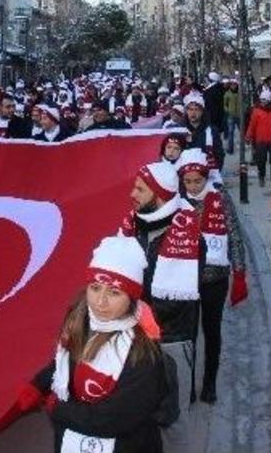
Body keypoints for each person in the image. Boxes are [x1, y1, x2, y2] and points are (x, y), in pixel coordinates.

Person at [18, 236, 169, 453]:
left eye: (114, 292)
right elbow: (69, 360)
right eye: (95, 288)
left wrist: (59, 409)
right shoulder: (81, 321)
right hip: (73, 440)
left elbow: (113, 418)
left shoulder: (143, 354)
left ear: (132, 297)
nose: (100, 302)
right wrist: (39, 384)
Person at [118, 161, 199, 449]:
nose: (132, 194)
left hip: (170, 343)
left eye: (140, 189)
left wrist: (131, 309)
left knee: (173, 420)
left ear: (160, 194)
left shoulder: (187, 229)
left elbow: (176, 301)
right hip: (130, 339)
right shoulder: (132, 225)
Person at [174, 149, 247, 404]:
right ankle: (190, 384)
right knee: (189, 333)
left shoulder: (220, 196)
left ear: (206, 177)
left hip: (215, 277)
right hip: (186, 278)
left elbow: (235, 235)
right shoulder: (176, 201)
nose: (193, 186)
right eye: (188, 182)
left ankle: (209, 383)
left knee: (212, 331)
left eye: (198, 181)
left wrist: (240, 273)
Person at [223, 80, 240, 155]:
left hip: (240, 115)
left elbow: (245, 101)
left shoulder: (240, 93)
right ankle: (230, 148)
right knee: (231, 132)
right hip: (231, 115)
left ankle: (245, 144)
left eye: (235, 85)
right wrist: (228, 110)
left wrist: (244, 109)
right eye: (232, 85)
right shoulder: (227, 94)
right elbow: (224, 104)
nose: (233, 86)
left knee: (242, 131)